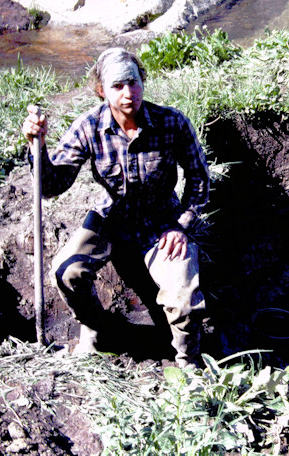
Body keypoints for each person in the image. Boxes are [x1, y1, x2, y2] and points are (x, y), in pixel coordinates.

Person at [21, 47, 210, 368]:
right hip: (110, 218)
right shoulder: (88, 126)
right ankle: (97, 331)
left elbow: (200, 180)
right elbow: (53, 185)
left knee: (183, 300)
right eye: (117, 86)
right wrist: (37, 147)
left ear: (143, 82)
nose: (128, 94)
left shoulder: (172, 122)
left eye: (133, 83)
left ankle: (188, 364)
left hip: (162, 222)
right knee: (66, 272)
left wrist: (182, 225)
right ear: (101, 91)